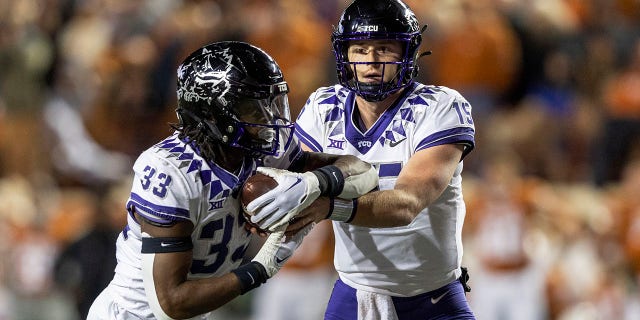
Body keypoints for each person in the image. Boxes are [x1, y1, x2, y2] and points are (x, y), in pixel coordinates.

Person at [86, 41, 378, 320]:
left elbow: (364, 171)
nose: (269, 118)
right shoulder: (170, 171)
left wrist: (315, 183)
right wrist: (259, 269)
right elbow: (170, 304)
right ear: (212, 113)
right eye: (253, 108)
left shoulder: (262, 150)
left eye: (271, 103)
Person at [245, 1, 476, 319]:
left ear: (407, 52)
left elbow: (406, 204)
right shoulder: (324, 107)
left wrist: (328, 206)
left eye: (383, 48)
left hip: (431, 299)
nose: (371, 61)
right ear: (345, 54)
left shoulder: (439, 107)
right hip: (354, 293)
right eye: (360, 49)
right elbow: (289, 179)